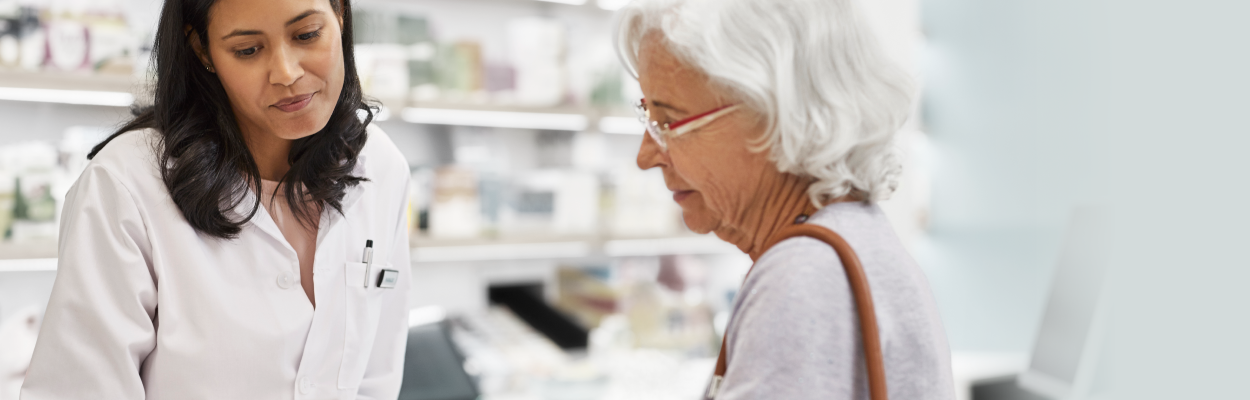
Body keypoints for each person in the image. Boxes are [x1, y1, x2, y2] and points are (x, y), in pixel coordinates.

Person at [20, 0, 411, 398]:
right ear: (203, 49)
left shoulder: (380, 167)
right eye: (247, 50)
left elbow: (375, 379)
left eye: (307, 34)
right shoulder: (127, 183)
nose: (287, 72)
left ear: (340, 15)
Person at [615, 0, 955, 398]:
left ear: (776, 114)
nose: (646, 156)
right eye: (648, 117)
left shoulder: (807, 276)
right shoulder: (850, 239)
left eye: (668, 122)